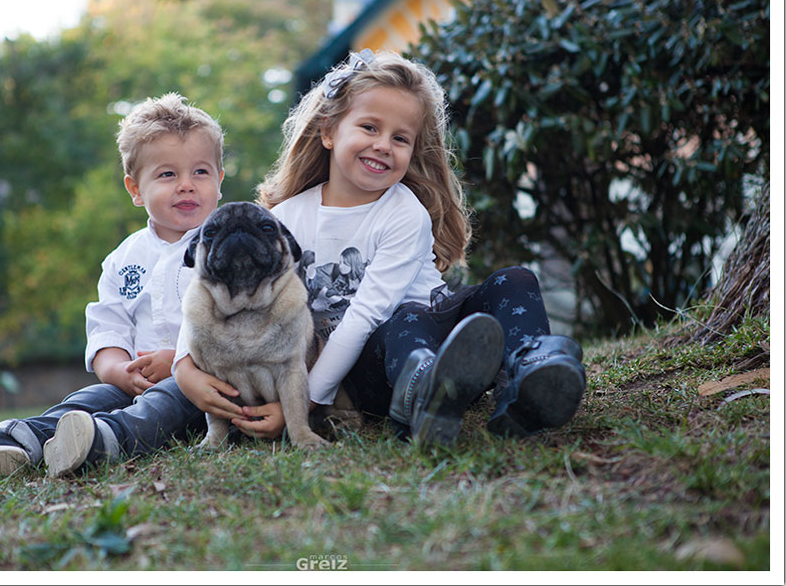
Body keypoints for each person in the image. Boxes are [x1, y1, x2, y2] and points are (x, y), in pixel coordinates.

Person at [175, 49, 586, 447]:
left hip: (444, 339)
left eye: (400, 138)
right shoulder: (285, 217)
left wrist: (302, 405)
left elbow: (369, 309)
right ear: (329, 131)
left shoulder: (405, 214)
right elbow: (208, 289)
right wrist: (185, 369)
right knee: (402, 322)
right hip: (370, 370)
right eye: (370, 128)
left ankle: (532, 374)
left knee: (515, 280)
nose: (384, 145)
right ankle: (425, 395)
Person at [0, 93, 226, 476]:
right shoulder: (122, 260)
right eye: (167, 175)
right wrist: (119, 371)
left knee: (168, 401)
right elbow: (109, 329)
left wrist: (179, 360)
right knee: (87, 398)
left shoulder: (228, 244)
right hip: (135, 382)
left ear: (220, 180)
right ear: (135, 189)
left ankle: (104, 441)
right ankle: (9, 444)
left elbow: (237, 323)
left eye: (200, 172)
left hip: (203, 384)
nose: (187, 185)